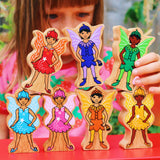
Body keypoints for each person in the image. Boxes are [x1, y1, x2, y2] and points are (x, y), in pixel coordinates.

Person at [0, 0, 160, 139]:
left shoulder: (109, 64)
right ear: (28, 15)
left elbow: (155, 116)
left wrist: (152, 86)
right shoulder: (9, 66)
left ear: (95, 12)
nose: (68, 29)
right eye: (52, 16)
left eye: (83, 14)